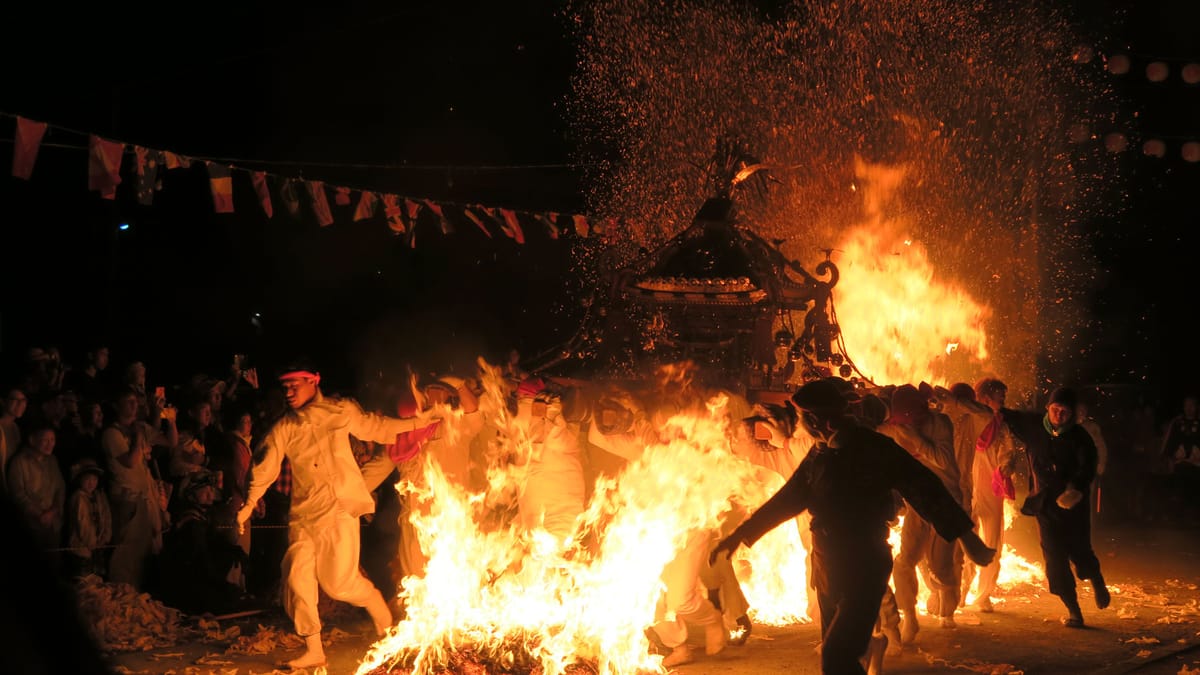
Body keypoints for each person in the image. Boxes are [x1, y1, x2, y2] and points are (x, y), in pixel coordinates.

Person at [710, 379, 995, 675]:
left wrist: (966, 537)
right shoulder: (819, 454)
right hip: (827, 568)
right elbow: (787, 500)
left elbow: (926, 489)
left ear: (822, 421)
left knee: (837, 656)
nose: (801, 426)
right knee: (836, 654)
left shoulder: (877, 450)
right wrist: (739, 536)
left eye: (805, 419)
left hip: (865, 567)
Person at [235, 360, 433, 670]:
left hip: (339, 510)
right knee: (297, 577)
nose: (288, 392)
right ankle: (313, 648)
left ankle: (378, 607)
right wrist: (249, 503)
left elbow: (377, 427)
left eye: (294, 385)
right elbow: (265, 465)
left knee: (339, 584)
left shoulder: (340, 412)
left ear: (314, 381)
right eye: (284, 387)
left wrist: (417, 423)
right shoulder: (285, 427)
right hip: (303, 515)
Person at [1002, 386, 1109, 628]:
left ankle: (1096, 580)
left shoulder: (1081, 438)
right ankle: (1074, 611)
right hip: (1044, 506)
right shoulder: (1033, 427)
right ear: (1048, 408)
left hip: (1073, 507)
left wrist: (1075, 489)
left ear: (1072, 414)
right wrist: (984, 404)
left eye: (1065, 411)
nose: (1059, 415)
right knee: (1054, 559)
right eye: (1055, 409)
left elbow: (1088, 467)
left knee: (1080, 551)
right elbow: (1006, 415)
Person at [876, 384, 963, 638]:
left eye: (912, 418)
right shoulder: (897, 428)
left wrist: (916, 438)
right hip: (918, 503)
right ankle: (910, 617)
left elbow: (944, 460)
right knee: (904, 562)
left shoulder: (941, 423)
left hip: (946, 502)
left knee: (940, 567)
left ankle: (947, 602)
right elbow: (873, 433)